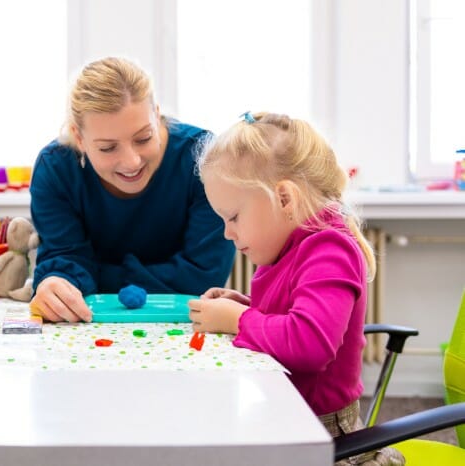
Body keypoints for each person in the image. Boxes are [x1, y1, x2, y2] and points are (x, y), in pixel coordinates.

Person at [189, 112, 404, 466]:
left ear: (284, 199)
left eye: (234, 217)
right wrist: (241, 305)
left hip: (327, 441)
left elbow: (309, 343)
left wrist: (240, 320)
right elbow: (292, 312)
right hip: (287, 419)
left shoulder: (330, 250)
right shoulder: (291, 244)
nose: (227, 233)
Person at [29, 57, 235, 323]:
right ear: (79, 138)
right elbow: (64, 259)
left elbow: (203, 276)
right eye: (107, 148)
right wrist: (56, 284)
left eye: (144, 138)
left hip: (185, 323)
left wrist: (93, 276)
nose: (132, 162)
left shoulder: (204, 159)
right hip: (91, 326)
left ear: (157, 115)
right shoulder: (56, 169)